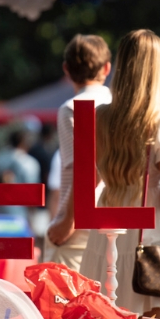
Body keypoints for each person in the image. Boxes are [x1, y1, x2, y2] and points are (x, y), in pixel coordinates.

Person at [79, 30, 160, 314]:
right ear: (154, 74)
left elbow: (88, 183)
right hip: (151, 242)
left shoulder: (99, 117)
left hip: (105, 235)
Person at [44, 34, 112, 270]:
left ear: (66, 69)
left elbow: (84, 169)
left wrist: (67, 221)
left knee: (64, 301)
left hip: (79, 219)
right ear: (106, 68)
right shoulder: (118, 105)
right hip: (117, 216)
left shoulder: (70, 109)